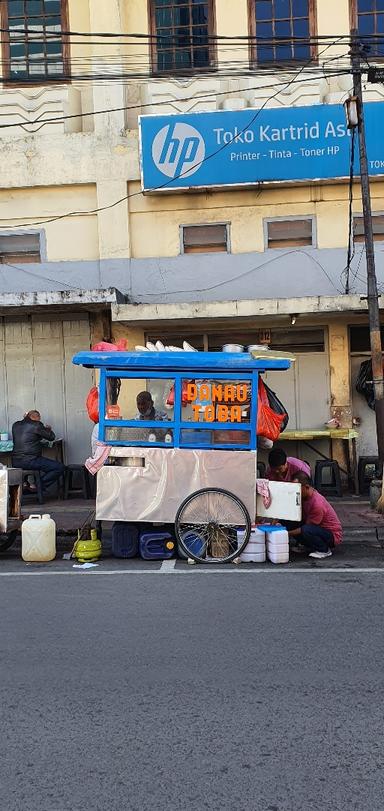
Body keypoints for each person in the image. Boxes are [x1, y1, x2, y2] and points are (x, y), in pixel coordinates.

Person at [289, 471, 342, 559]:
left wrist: (286, 534)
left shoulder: (317, 503)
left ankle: (324, 550)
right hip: (314, 528)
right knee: (290, 520)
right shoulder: (302, 497)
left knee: (306, 529)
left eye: (296, 489)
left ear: (306, 487)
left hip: (331, 535)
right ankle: (307, 545)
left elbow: (307, 527)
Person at [12, 410, 65, 493]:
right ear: (35, 417)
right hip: (31, 460)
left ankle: (25, 484)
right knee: (59, 467)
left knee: (33, 465)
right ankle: (37, 485)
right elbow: (51, 437)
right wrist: (48, 430)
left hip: (16, 461)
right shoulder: (37, 425)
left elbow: (30, 436)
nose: (40, 420)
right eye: (39, 418)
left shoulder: (15, 425)